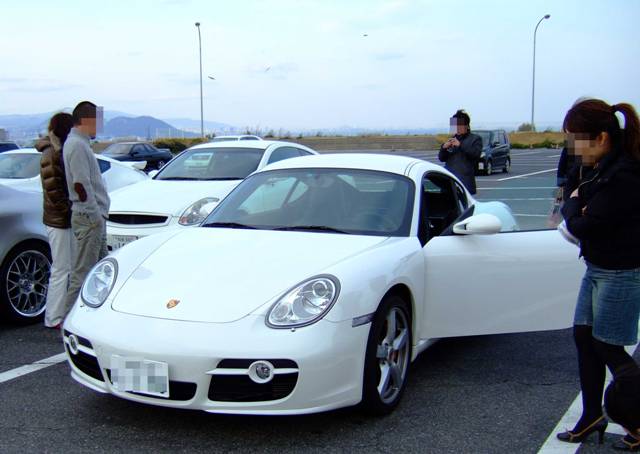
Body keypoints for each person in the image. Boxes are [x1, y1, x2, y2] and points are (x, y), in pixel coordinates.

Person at [556, 98, 640, 449]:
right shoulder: (598, 166)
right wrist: (576, 202)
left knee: (607, 346)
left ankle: (636, 420)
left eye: (577, 140)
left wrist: (575, 204)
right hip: (597, 267)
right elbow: (572, 196)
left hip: (621, 272)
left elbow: (582, 224)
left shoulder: (625, 175)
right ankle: (591, 415)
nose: (573, 149)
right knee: (584, 337)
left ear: (602, 137)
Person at [62, 101, 110, 318]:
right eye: (97, 121)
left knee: (101, 271)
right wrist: (95, 215)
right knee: (83, 273)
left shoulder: (79, 144)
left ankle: (92, 318)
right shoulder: (77, 145)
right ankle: (68, 319)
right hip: (89, 217)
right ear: (87, 120)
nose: (99, 126)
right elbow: (81, 185)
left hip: (92, 216)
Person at [36, 112, 75, 328]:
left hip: (59, 218)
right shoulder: (52, 153)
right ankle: (54, 317)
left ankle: (59, 314)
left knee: (65, 267)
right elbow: (54, 191)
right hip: (59, 219)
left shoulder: (55, 150)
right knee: (61, 268)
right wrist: (70, 211)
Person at [438, 109, 482, 194]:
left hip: (465, 182)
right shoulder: (452, 139)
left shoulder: (475, 139)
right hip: (450, 182)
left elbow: (475, 154)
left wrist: (460, 145)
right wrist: (444, 148)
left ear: (467, 126)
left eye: (459, 125)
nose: (456, 128)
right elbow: (441, 158)